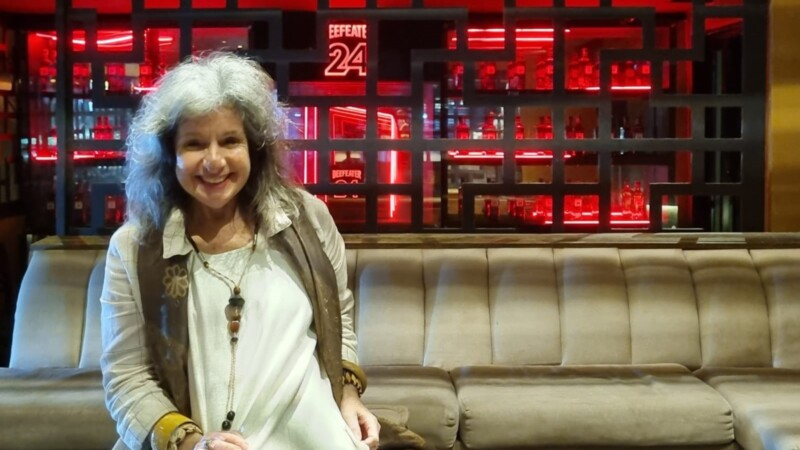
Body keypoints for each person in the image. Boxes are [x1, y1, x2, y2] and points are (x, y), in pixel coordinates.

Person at [100, 52, 380, 450]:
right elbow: (126, 377)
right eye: (195, 144)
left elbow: (339, 321)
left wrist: (349, 396)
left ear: (255, 147)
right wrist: (191, 443)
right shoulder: (134, 248)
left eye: (230, 140)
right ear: (168, 154)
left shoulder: (309, 220)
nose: (214, 161)